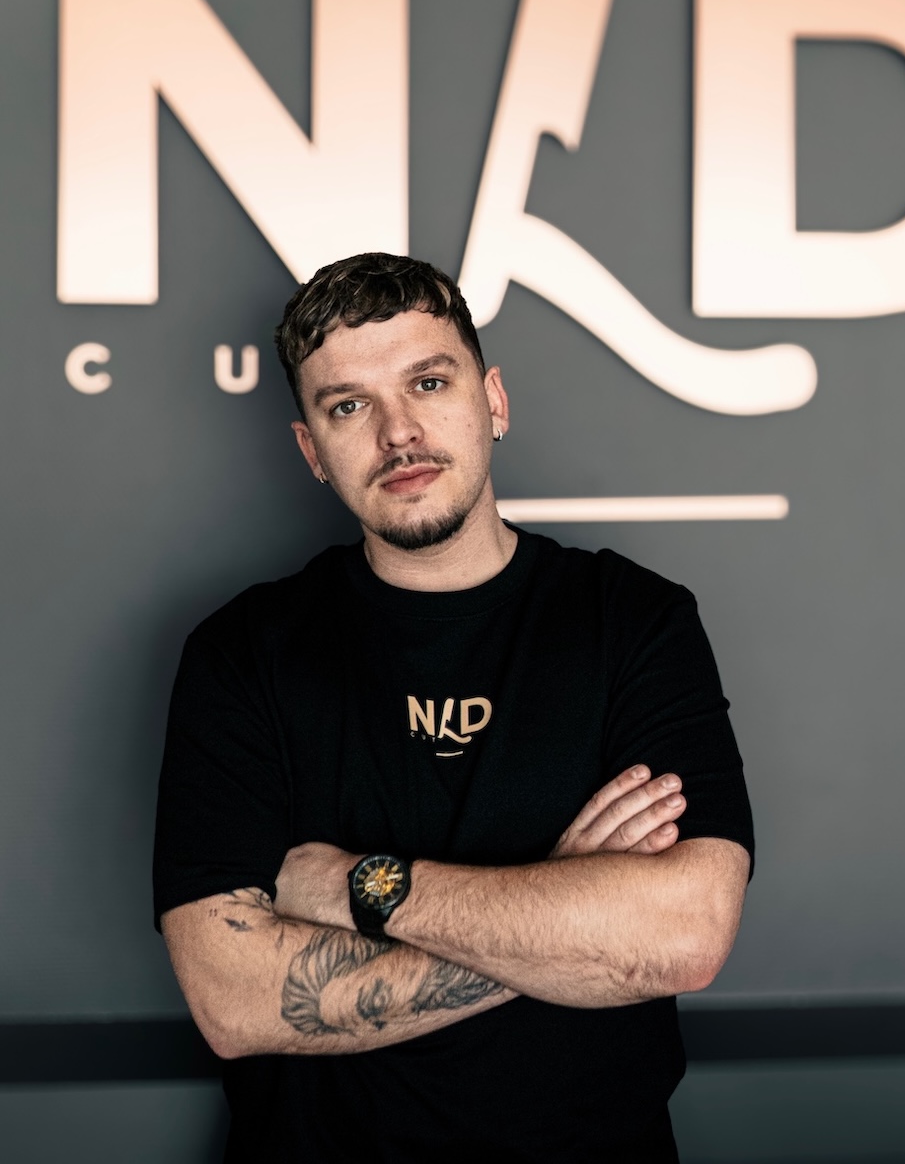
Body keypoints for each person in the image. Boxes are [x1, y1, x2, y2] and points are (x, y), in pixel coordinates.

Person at [153, 252, 753, 1163]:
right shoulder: (241, 654)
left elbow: (684, 935)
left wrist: (361, 887)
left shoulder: (633, 621)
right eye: (347, 406)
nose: (398, 432)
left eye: (428, 383)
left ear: (494, 402)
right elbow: (232, 1001)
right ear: (312, 452)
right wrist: (566, 914)